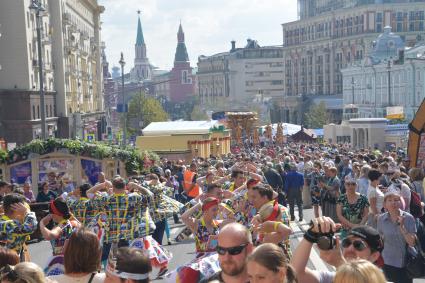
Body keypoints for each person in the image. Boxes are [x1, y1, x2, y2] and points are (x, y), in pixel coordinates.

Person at [291, 216, 384, 283]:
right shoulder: (331, 278)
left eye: (358, 245)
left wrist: (339, 263)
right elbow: (295, 274)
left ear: (374, 256)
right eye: (346, 243)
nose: (350, 248)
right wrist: (310, 235)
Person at [87, 176, 153, 263]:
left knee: (103, 255)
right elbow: (150, 195)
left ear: (113, 188)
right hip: (126, 233)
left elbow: (89, 193)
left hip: (110, 233)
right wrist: (136, 186)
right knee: (126, 257)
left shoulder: (106, 199)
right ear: (125, 187)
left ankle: (96, 271)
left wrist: (103, 184)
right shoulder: (133, 198)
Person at [377, 191, 416, 283]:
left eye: (396, 200)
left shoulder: (408, 218)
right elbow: (380, 240)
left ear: (401, 203)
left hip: (406, 263)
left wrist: (402, 227)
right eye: (389, 200)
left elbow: (412, 243)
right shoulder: (381, 219)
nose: (393, 203)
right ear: (385, 204)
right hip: (387, 261)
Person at [0, 193, 37, 261]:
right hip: (6, 266)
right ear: (15, 208)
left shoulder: (4, 221)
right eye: (22, 207)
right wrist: (27, 212)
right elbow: (30, 228)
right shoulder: (8, 224)